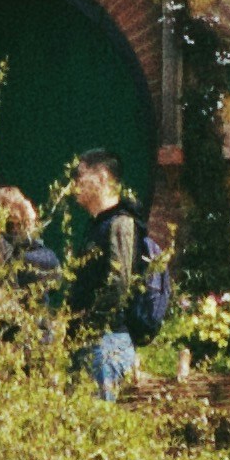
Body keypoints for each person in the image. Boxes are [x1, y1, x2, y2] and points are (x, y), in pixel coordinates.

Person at [53, 150, 151, 396]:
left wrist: (89, 324)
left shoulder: (121, 223)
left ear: (103, 177)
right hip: (91, 343)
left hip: (106, 343)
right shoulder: (97, 225)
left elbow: (119, 284)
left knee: (96, 426)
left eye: (80, 176)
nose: (74, 185)